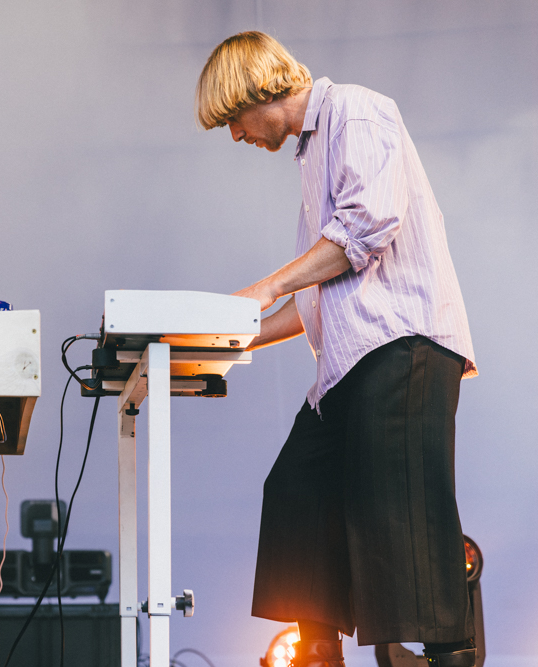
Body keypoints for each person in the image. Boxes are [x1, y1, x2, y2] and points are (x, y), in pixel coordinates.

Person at [195, 33, 478, 667]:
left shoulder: (356, 111)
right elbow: (319, 298)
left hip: (401, 344)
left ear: (256, 91)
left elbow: (367, 226)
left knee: (404, 512)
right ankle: (319, 654)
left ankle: (446, 655)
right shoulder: (312, 155)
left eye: (233, 120)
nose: (236, 136)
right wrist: (215, 340)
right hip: (351, 362)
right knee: (297, 491)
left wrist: (269, 284)